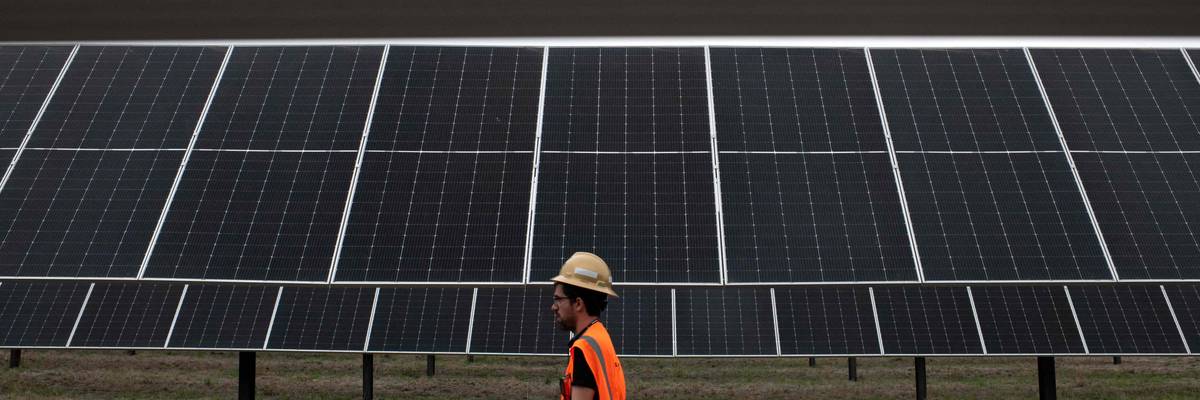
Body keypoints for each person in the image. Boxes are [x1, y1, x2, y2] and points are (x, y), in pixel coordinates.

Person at [550, 252, 626, 400]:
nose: (553, 307)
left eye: (558, 299)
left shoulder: (584, 349)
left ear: (578, 303)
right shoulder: (600, 336)